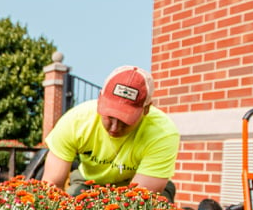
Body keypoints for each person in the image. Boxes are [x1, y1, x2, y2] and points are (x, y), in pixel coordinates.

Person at [41, 65, 180, 200]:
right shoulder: (75, 121)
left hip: (136, 184)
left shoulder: (163, 132)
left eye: (125, 120)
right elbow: (51, 185)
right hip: (89, 182)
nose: (114, 127)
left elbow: (138, 202)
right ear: (100, 98)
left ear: (146, 109)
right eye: (109, 116)